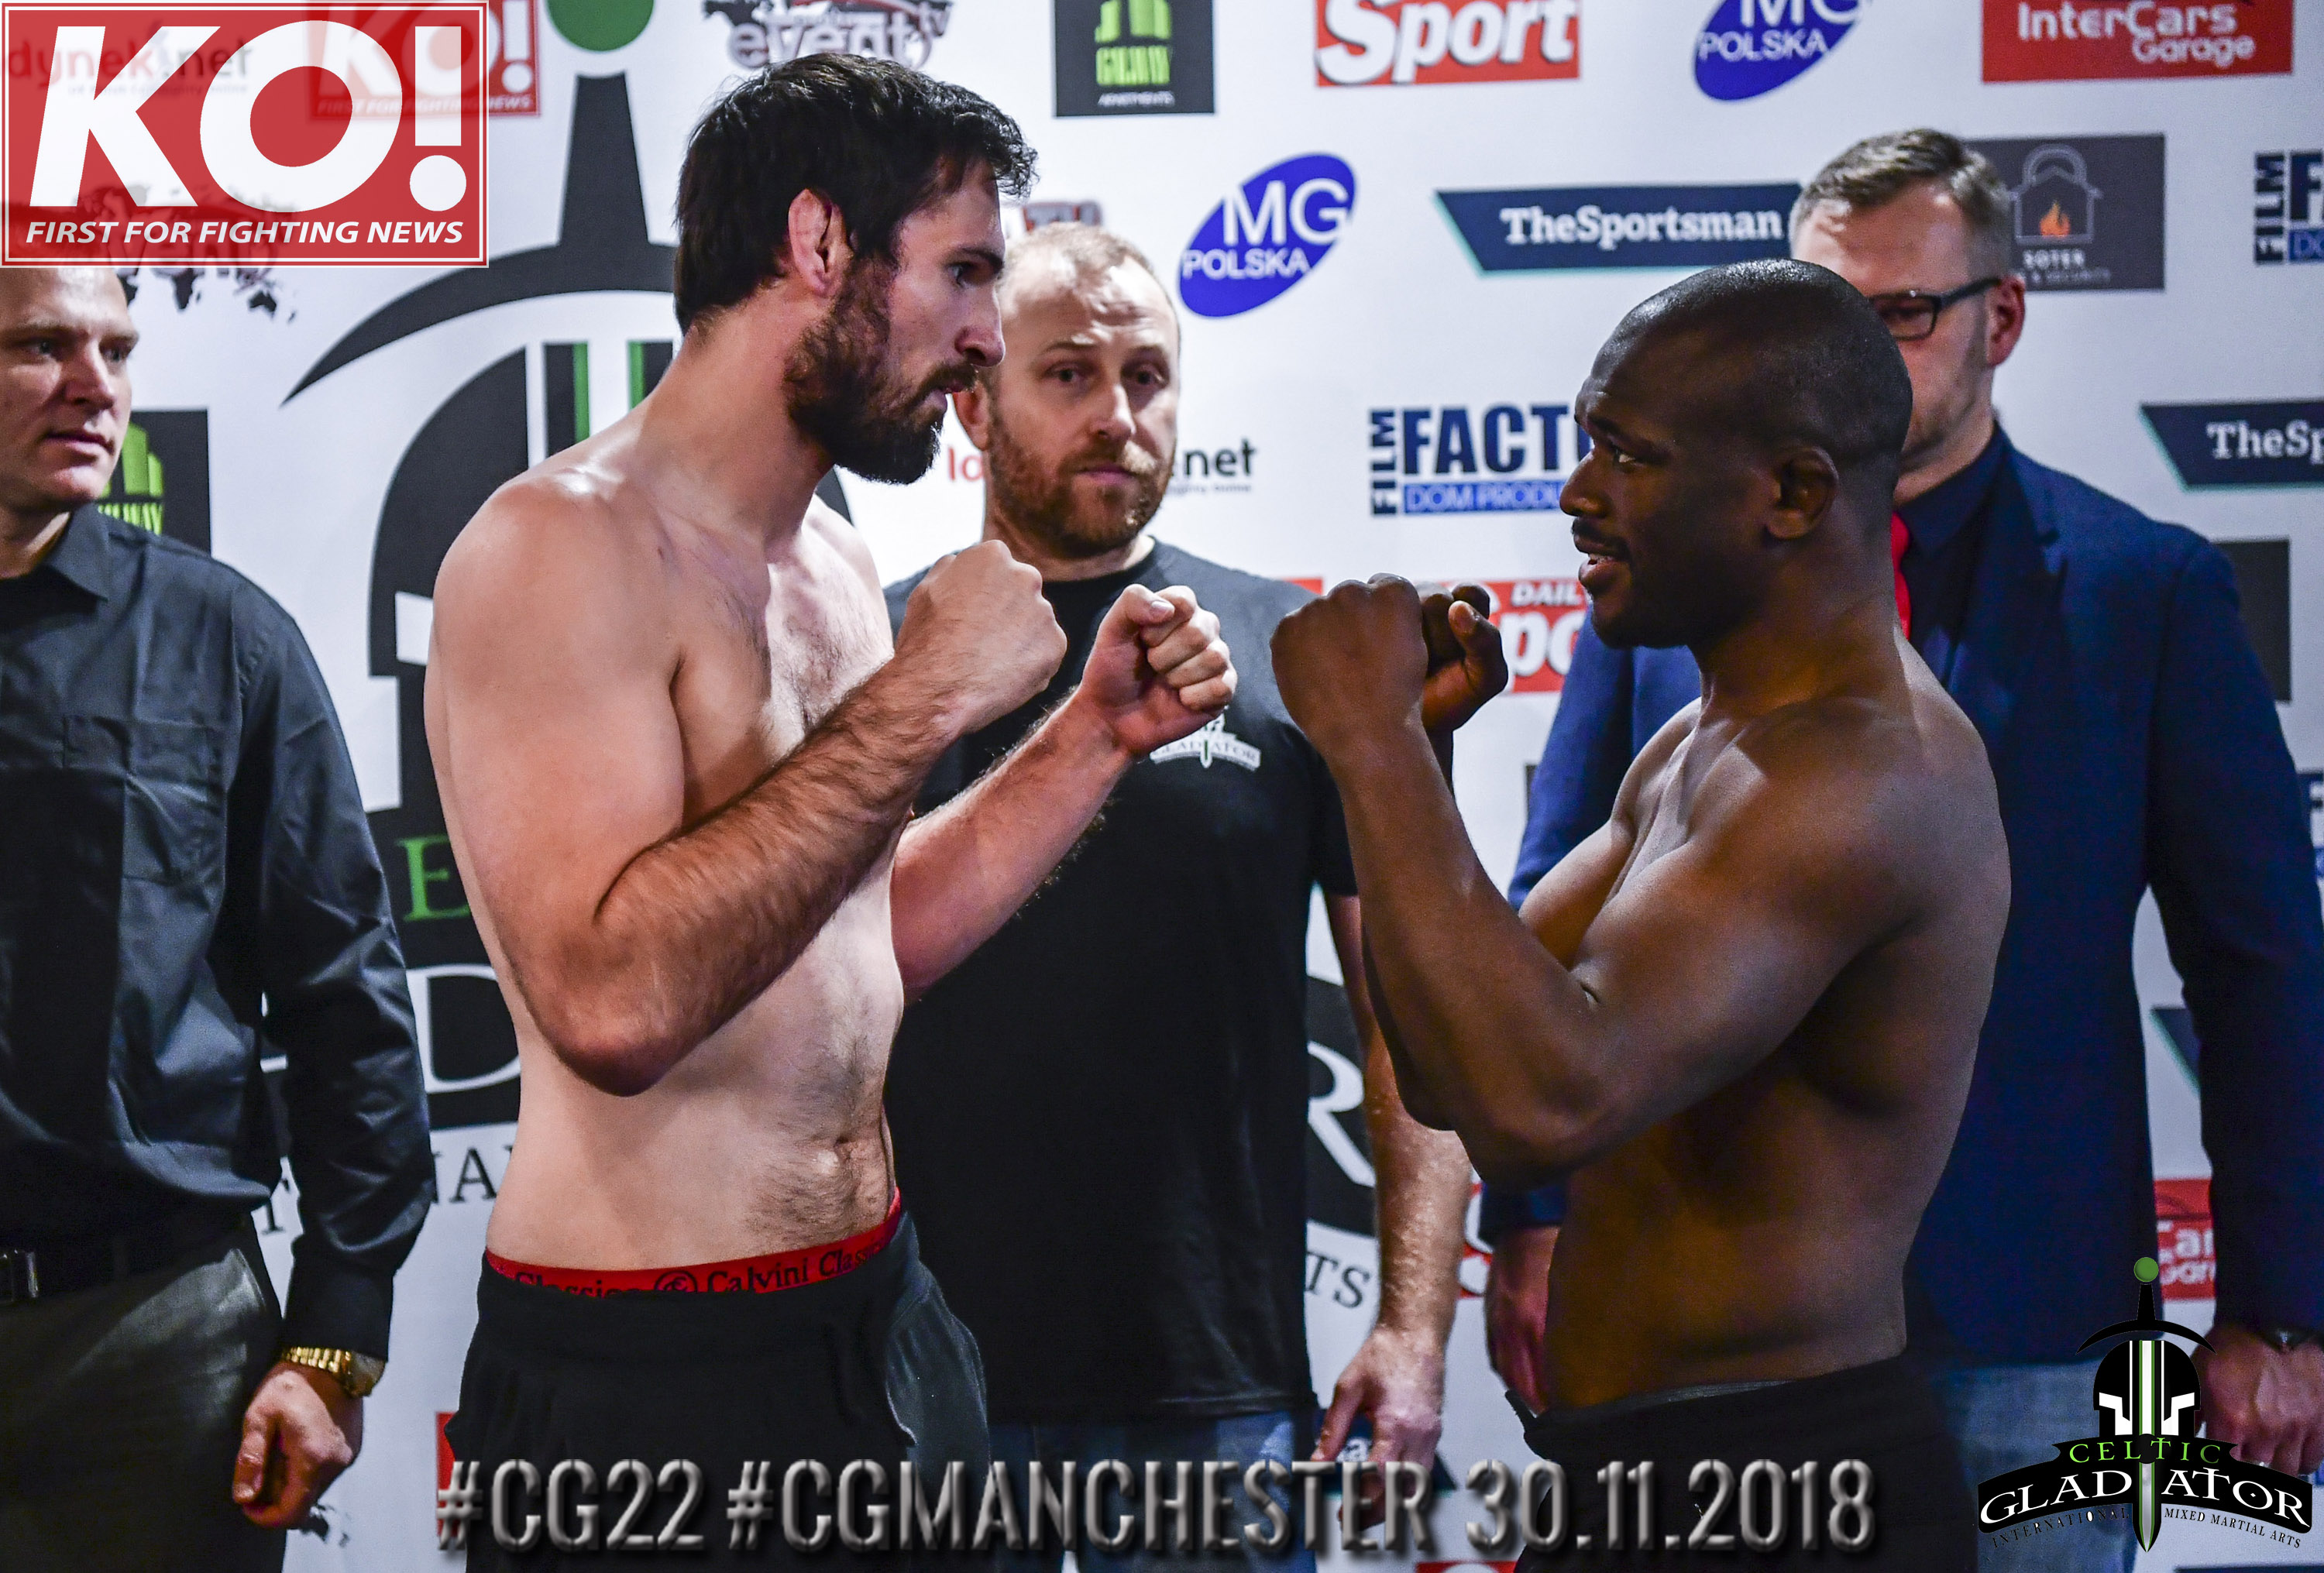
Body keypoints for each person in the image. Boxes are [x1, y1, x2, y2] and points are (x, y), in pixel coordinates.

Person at [428, 58, 1236, 1568]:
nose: (988, 334)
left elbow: (862, 935)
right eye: (966, 273)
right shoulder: (559, 549)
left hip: (882, 1315)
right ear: (818, 244)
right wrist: (925, 696)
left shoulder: (835, 563)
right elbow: (613, 1002)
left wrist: (1093, 737)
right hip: (649, 1376)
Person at [1480, 131, 2324, 1566]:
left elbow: (2261, 970)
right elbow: (1552, 891)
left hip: (2032, 1320)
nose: (1857, 351)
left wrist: (2281, 1310)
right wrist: (1535, 1220)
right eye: (1825, 307)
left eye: (1905, 313)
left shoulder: (2144, 592)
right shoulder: (1674, 582)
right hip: (1725, 1342)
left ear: (2003, 317)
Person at [1274, 259, 2011, 1570]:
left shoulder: (1857, 775)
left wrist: (1373, 750)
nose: (1579, 493)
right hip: (1645, 1475)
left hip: (1787, 1491)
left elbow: (1544, 1109)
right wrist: (1413, 760)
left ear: (1792, 494)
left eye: (1629, 454)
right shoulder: (1699, 742)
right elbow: (1457, 1072)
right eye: (1587, 444)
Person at [880, 222, 1476, 1572]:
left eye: (1146, 376)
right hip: (927, 1391)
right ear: (973, 405)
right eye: (1070, 374)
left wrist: (1415, 1325)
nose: (1118, 415)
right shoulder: (883, 654)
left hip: (1219, 1402)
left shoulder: (1290, 654)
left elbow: (1412, 1018)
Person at [0, 268, 433, 1570]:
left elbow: (347, 1001)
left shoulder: (222, 641)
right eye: (40, 345)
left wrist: (336, 1337)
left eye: (118, 349)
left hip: (154, 1350)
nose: (97, 387)